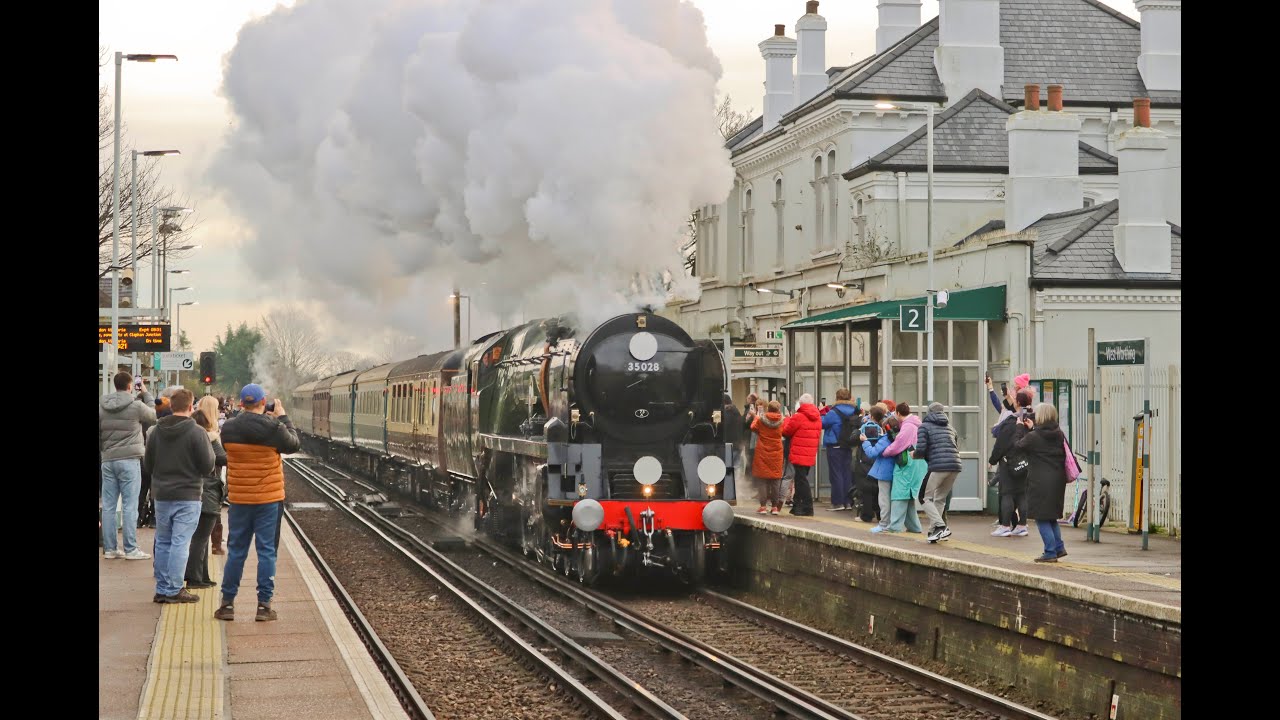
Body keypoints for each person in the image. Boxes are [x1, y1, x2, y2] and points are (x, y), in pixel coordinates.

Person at [215, 384, 302, 622]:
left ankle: (227, 604)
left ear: (241, 403)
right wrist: (282, 416)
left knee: (236, 551)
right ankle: (264, 606)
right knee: (266, 552)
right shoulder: (274, 428)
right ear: (264, 402)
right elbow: (294, 444)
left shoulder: (229, 429)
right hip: (268, 500)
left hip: (240, 500)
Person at [143, 389, 216, 603]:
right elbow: (207, 465)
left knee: (164, 541)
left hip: (162, 495)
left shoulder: (156, 431)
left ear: (171, 406)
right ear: (191, 406)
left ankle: (163, 588)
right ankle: (174, 589)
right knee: (180, 542)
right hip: (188, 494)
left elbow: (148, 464)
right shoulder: (197, 432)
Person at [100, 372, 157, 560]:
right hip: (130, 460)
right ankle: (131, 549)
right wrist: (147, 394)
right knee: (129, 505)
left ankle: (110, 549)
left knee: (108, 505)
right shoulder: (136, 406)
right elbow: (153, 416)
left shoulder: (102, 406)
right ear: (130, 385)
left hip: (108, 460)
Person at [1013, 403, 1070, 563]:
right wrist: (1032, 430)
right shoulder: (1059, 434)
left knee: (1041, 517)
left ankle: (1050, 551)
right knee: (1051, 516)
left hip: (1040, 481)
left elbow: (1018, 446)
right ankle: (1059, 548)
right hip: (1058, 480)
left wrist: (1019, 428)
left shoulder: (1034, 437)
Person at [185, 398, 228, 589]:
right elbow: (225, 458)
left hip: (194, 491)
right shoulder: (209, 438)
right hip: (208, 491)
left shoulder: (187, 439)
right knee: (200, 537)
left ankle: (203, 576)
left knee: (199, 537)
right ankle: (194, 578)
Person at [915, 402, 963, 543]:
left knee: (924, 497)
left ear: (928, 412)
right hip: (955, 466)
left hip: (938, 466)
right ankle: (933, 531)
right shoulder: (950, 428)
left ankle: (941, 526)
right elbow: (955, 446)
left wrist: (914, 454)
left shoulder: (924, 427)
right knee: (940, 498)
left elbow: (921, 449)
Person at [989, 390, 1034, 537]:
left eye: (1015, 399)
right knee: (1022, 494)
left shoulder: (1010, 422)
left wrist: (992, 460)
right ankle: (1022, 525)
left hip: (1009, 463)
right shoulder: (1031, 420)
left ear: (1018, 403)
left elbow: (1000, 445)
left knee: (1007, 493)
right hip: (1025, 463)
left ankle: (1005, 526)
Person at [780, 394, 821, 516]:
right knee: (800, 479)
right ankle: (797, 506)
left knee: (801, 480)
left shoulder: (799, 416)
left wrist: (787, 419)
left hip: (798, 452)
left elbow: (786, 431)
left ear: (801, 404)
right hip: (810, 452)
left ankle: (808, 507)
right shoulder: (817, 417)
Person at [819, 389, 859, 511]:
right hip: (848, 445)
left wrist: (821, 412)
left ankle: (837, 502)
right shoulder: (855, 411)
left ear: (837, 397)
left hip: (835, 446)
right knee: (846, 474)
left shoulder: (834, 412)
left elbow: (822, 423)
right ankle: (847, 502)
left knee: (836, 474)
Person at [862, 415, 900, 531]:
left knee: (884, 499)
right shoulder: (899, 437)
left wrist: (865, 442)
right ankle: (893, 524)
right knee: (894, 499)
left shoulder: (885, 440)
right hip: (896, 471)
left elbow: (872, 453)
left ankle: (884, 524)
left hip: (884, 472)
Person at [750, 401, 786, 515]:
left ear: (768, 409)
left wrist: (756, 417)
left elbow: (753, 427)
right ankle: (775, 507)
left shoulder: (761, 419)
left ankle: (763, 506)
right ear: (778, 409)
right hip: (777, 453)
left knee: (762, 480)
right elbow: (784, 432)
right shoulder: (783, 420)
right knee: (775, 480)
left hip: (762, 452)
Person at [851, 405, 886, 522]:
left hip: (864, 460)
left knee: (865, 489)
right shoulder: (884, 427)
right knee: (879, 489)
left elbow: (853, 438)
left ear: (870, 415)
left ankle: (866, 515)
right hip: (879, 460)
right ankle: (881, 515)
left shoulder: (864, 427)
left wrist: (860, 427)